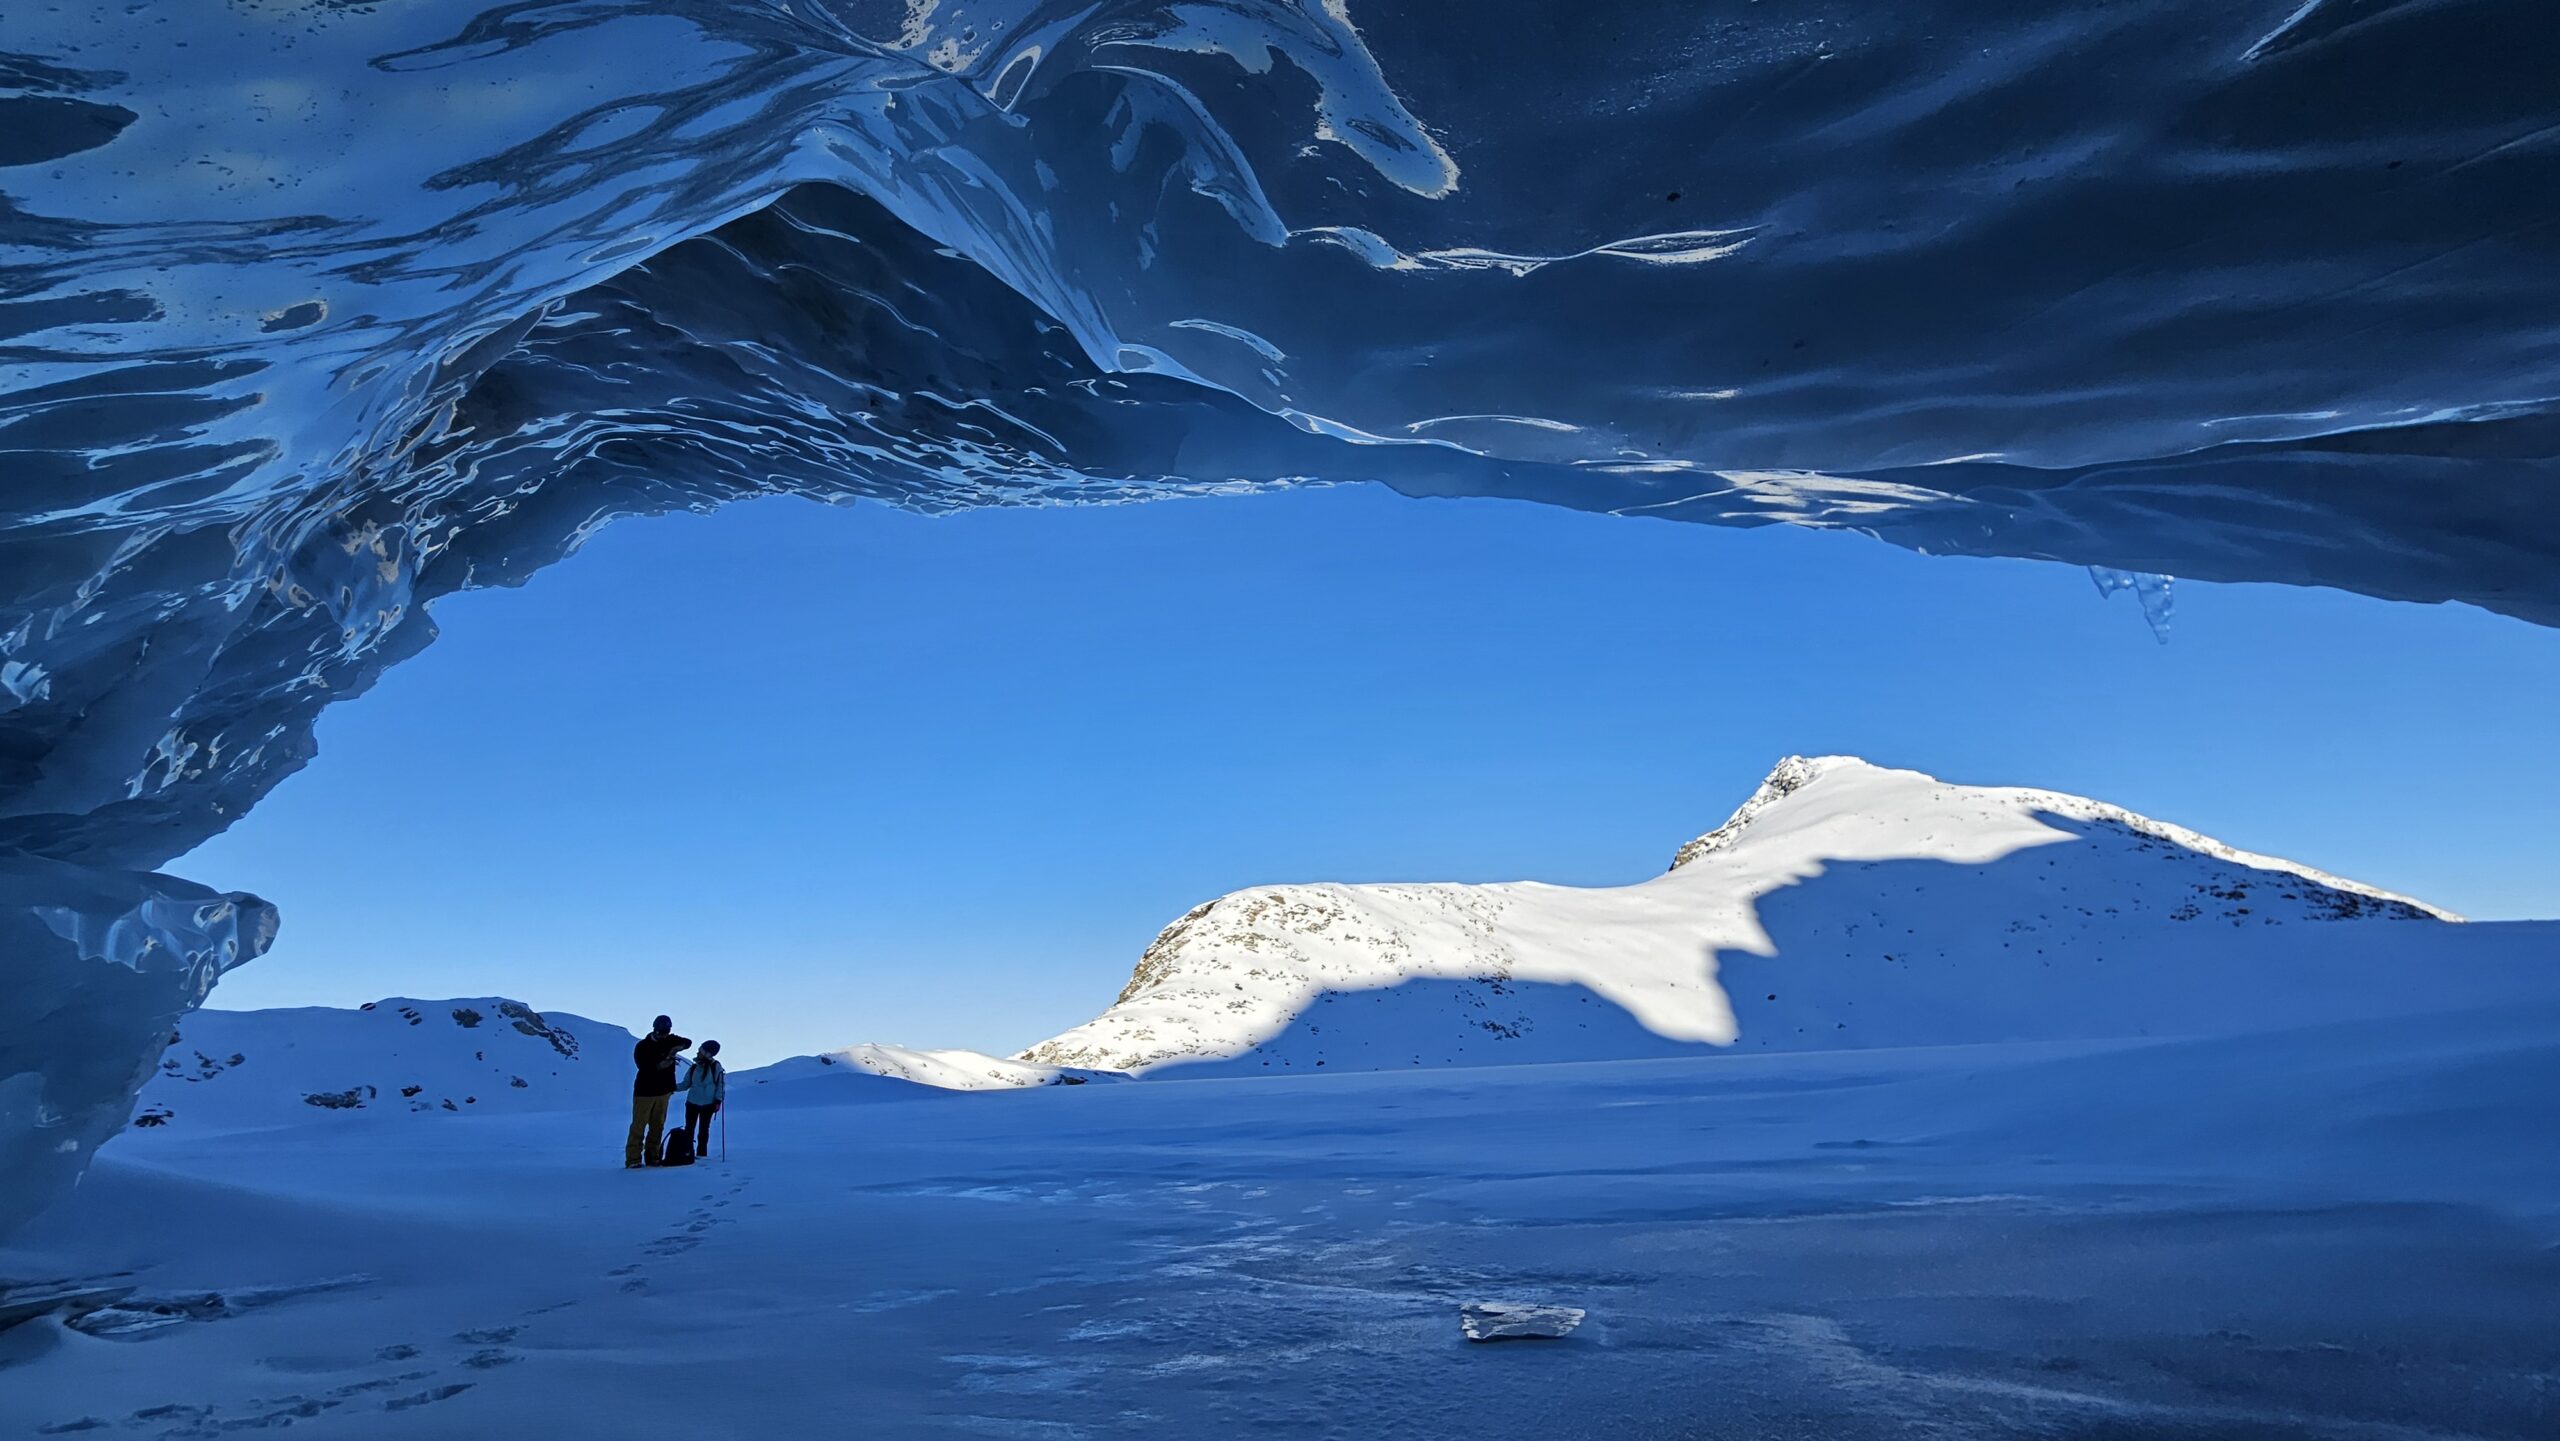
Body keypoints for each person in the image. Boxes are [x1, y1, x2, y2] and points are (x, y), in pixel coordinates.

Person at [626, 1015, 691, 1168]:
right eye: (662, 1032)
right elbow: (646, 1068)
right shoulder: (642, 1046)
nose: (664, 1035)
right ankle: (633, 1159)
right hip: (645, 1092)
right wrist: (664, 1062)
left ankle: (653, 1157)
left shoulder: (669, 1040)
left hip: (664, 1091)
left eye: (666, 1032)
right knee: (639, 1126)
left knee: (657, 1126)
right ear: (655, 1030)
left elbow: (687, 1042)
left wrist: (675, 1048)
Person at [682, 1040, 725, 1161]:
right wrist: (671, 1087)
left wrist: (718, 1100)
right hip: (694, 1103)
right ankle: (689, 1153)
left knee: (702, 1130)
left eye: (701, 1050)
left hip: (706, 1104)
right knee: (690, 1129)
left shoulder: (715, 1067)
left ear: (707, 1053)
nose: (698, 1052)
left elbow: (720, 1085)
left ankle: (700, 1154)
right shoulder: (694, 1067)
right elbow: (686, 1084)